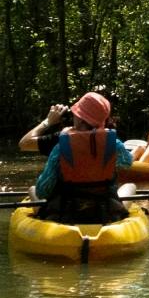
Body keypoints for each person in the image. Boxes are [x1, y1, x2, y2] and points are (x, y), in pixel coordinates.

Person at [18, 90, 133, 222]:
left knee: (33, 189)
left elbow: (43, 190)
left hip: (66, 211)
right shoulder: (114, 143)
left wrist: (48, 122)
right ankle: (118, 213)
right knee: (130, 186)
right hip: (104, 209)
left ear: (79, 117)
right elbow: (127, 163)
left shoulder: (60, 142)